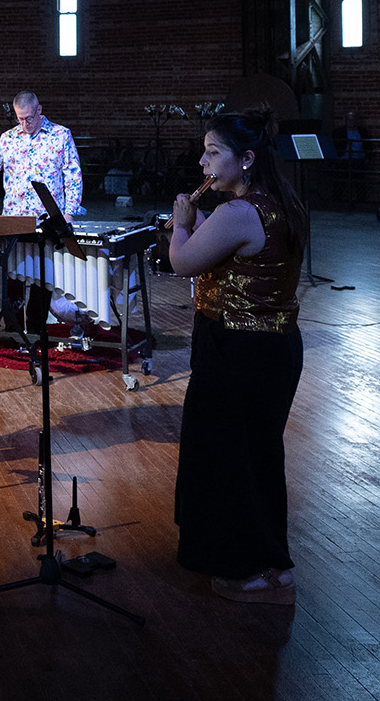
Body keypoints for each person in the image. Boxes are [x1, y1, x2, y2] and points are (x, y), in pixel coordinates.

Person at [167, 106, 308, 605]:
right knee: (258, 457)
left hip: (238, 352)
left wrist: (181, 224)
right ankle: (274, 566)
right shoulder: (282, 200)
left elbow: (182, 260)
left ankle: (246, 571)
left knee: (229, 459)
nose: (204, 163)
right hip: (273, 348)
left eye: (213, 153)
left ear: (246, 159)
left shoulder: (237, 212)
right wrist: (201, 223)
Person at [0, 91, 91, 330]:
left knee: (43, 278)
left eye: (29, 118)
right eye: (20, 119)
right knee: (13, 278)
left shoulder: (61, 135)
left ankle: (37, 330)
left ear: (39, 110)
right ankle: (14, 331)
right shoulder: (8, 137)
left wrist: (69, 213)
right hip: (13, 219)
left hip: (47, 221)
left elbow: (73, 175)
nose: (25, 124)